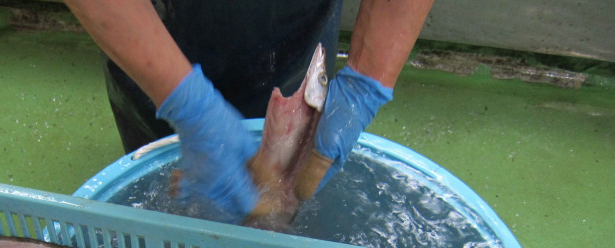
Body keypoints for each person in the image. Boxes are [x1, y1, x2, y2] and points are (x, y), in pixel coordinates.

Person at [63, 0, 434, 223]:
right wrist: (187, 105)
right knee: (168, 182)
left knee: (283, 194)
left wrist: (364, 83)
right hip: (148, 31)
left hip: (296, 31)